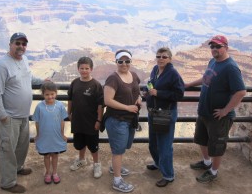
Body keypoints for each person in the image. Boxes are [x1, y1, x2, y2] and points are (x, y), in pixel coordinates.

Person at [185, 35, 246, 183]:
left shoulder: (231, 67)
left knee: (217, 145)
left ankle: (213, 171)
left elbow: (241, 92)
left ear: (226, 47)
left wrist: (225, 110)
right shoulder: (212, 61)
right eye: (212, 46)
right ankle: (206, 162)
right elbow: (205, 78)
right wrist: (188, 85)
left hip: (219, 117)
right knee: (202, 139)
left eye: (218, 46)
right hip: (205, 112)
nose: (214, 49)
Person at [0, 32, 43, 193]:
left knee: (22, 146)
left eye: (23, 44)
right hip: (9, 117)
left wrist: (43, 81)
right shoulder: (2, 65)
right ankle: (8, 182)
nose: (21, 46)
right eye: (17, 43)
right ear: (10, 44)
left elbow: (28, 77)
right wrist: (3, 115)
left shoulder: (24, 60)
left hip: (23, 115)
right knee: (7, 150)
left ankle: (18, 168)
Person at [145, 47, 185, 187]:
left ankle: (168, 175)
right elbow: (152, 86)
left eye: (164, 57)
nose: (160, 59)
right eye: (158, 56)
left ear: (170, 59)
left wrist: (159, 93)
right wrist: (147, 92)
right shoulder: (155, 69)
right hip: (154, 112)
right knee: (153, 143)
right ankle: (158, 163)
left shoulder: (173, 74)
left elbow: (179, 94)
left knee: (164, 146)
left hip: (165, 114)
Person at [104, 49, 142, 193]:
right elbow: (107, 100)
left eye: (127, 61)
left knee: (124, 146)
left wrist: (139, 98)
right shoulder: (113, 79)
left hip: (130, 120)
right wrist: (127, 107)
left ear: (131, 62)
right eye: (121, 61)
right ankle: (117, 180)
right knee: (118, 150)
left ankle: (115, 167)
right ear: (116, 62)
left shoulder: (134, 75)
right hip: (116, 120)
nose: (124, 64)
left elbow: (136, 91)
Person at [67, 57, 104, 178]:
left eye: (86, 68)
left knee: (93, 145)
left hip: (91, 121)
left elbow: (100, 105)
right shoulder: (74, 83)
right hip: (77, 120)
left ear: (91, 69)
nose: (84, 70)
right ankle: (81, 160)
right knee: (79, 143)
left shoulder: (96, 85)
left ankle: (96, 164)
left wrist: (99, 120)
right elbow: (70, 99)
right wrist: (69, 113)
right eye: (82, 68)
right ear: (78, 69)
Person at [32, 81, 68, 184]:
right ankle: (48, 172)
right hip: (45, 136)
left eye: (52, 94)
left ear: (56, 93)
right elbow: (37, 122)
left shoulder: (60, 106)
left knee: (55, 155)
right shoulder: (39, 106)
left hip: (55, 136)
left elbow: (62, 121)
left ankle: (55, 172)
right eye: (47, 94)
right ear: (43, 94)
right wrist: (38, 135)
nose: (50, 96)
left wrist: (62, 134)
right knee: (46, 155)